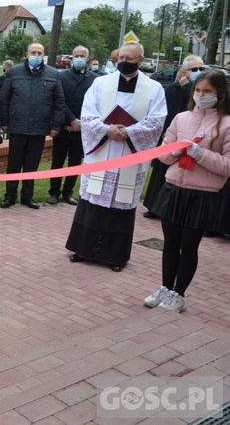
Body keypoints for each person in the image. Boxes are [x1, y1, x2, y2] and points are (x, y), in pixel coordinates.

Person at [66, 41, 167, 272]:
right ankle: (82, 249)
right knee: (92, 201)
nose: (123, 63)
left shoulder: (154, 89)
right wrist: (107, 130)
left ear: (141, 61)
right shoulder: (101, 83)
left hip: (129, 155)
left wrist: (128, 132)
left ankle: (115, 256)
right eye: (120, 59)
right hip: (102, 149)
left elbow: (156, 121)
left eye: (129, 60)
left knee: (119, 206)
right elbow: (88, 113)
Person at [144, 68, 230, 312]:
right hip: (174, 188)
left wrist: (200, 153)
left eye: (208, 91)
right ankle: (164, 287)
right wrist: (172, 152)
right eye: (199, 90)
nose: (202, 95)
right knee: (170, 242)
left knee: (188, 246)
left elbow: (227, 165)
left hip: (202, 193)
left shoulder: (226, 124)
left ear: (220, 93)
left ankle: (179, 293)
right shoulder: (182, 118)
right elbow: (163, 151)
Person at [0, 42, 65, 209]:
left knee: (31, 165)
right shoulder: (14, 72)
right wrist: (4, 122)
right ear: (27, 54)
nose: (36, 55)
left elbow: (59, 102)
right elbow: (4, 98)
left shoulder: (53, 74)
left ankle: (27, 197)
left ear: (44, 56)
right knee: (13, 164)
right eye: (33, 52)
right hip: (17, 127)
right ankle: (10, 196)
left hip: (39, 128)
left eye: (39, 53)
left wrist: (56, 125)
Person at [143, 55, 203, 218]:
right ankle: (154, 206)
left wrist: (187, 88)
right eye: (194, 69)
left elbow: (195, 106)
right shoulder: (172, 89)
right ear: (184, 72)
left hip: (192, 138)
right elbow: (165, 112)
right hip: (170, 135)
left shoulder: (201, 91)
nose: (199, 72)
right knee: (161, 173)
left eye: (201, 69)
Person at [47, 45, 99, 206]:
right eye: (76, 55)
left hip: (82, 129)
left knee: (75, 162)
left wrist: (81, 121)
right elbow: (58, 100)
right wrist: (71, 120)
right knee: (57, 161)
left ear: (88, 58)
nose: (79, 58)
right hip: (63, 126)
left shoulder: (95, 79)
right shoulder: (61, 77)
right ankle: (54, 192)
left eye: (82, 55)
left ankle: (68, 192)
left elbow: (95, 103)